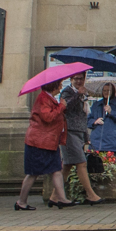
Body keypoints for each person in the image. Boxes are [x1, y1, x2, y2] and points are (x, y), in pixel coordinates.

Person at [17, 80, 70, 211]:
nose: (61, 86)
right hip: (39, 142)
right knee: (33, 173)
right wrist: (62, 106)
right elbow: (48, 117)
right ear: (54, 86)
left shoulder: (49, 98)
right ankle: (21, 202)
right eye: (60, 84)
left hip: (50, 141)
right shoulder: (43, 98)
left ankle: (62, 199)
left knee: (57, 170)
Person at [88, 79, 116, 190]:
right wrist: (94, 122)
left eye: (109, 91)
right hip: (97, 142)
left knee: (113, 170)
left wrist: (111, 112)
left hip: (113, 142)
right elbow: (88, 120)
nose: (106, 93)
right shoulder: (96, 105)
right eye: (104, 90)